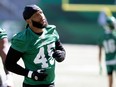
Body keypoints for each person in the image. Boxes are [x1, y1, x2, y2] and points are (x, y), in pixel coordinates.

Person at [5, 4, 66, 87]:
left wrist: (61, 55)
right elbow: (9, 64)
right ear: (28, 21)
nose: (42, 16)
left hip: (51, 84)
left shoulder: (51, 31)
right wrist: (31, 74)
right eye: (37, 15)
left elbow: (61, 50)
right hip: (32, 85)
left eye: (41, 12)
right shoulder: (22, 39)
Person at [98, 16, 116, 87]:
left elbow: (100, 52)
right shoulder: (114, 35)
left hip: (108, 61)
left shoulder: (102, 36)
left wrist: (99, 64)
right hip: (115, 60)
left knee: (110, 83)